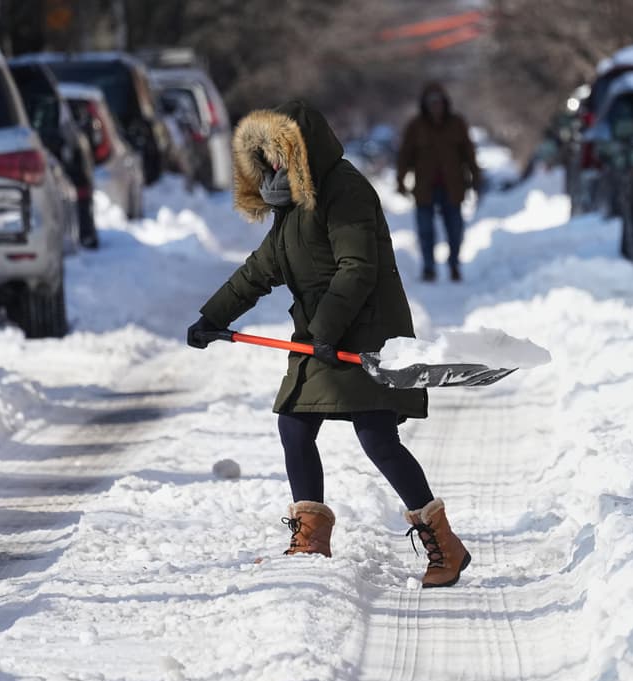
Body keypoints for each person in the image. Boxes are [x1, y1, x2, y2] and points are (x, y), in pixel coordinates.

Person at [186, 100, 470, 588]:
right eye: (266, 158)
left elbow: (357, 267)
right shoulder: (291, 207)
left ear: (300, 150)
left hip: (367, 335)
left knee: (377, 438)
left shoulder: (345, 190)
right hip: (324, 333)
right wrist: (212, 316)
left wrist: (325, 330)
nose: (272, 166)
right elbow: (260, 269)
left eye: (279, 155)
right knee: (295, 424)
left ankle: (444, 544)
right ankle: (310, 539)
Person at [396, 82, 481, 283]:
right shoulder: (415, 126)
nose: (436, 106)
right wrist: (400, 181)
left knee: (455, 229)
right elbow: (404, 156)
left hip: (453, 186)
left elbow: (469, 153)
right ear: (425, 104)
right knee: (425, 230)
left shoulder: (457, 123)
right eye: (431, 102)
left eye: (439, 102)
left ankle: (454, 265)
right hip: (425, 188)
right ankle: (429, 267)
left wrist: (476, 177)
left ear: (445, 103)